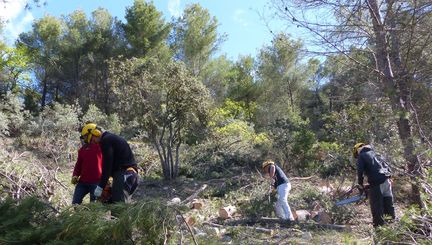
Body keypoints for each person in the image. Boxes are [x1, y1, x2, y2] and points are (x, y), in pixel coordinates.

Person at [81, 123, 139, 203]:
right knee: (113, 204)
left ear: (96, 133)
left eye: (91, 139)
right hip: (129, 175)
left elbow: (107, 166)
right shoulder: (110, 138)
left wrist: (100, 187)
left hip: (124, 174)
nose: (92, 143)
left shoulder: (106, 140)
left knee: (118, 209)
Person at [353, 142, 395, 227]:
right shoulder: (376, 153)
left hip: (377, 183)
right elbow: (386, 166)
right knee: (389, 205)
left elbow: (360, 171)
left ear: (357, 150)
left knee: (377, 207)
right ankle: (391, 227)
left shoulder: (362, 155)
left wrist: (360, 184)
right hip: (387, 181)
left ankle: (379, 230)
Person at [71, 135, 103, 204]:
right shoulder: (82, 150)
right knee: (75, 203)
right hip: (82, 182)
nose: (83, 141)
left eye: (84, 137)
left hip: (96, 182)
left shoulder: (100, 148)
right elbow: (78, 165)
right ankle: (79, 215)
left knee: (94, 205)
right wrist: (75, 175)